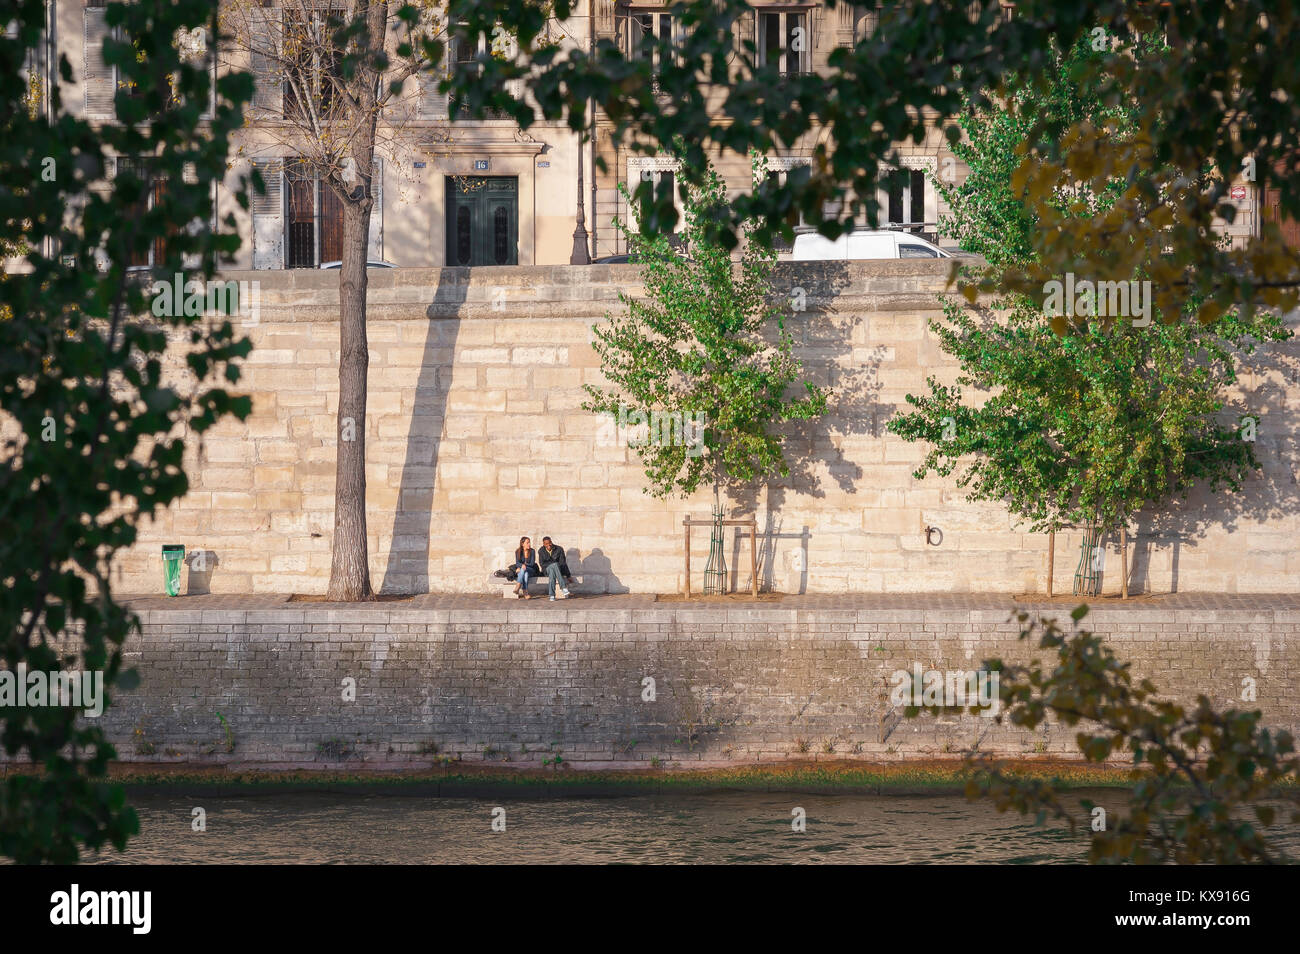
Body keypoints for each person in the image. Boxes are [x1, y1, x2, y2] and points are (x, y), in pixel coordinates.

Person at [538, 536, 573, 601]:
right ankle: (563, 587)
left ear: (551, 542)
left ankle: (552, 595)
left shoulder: (559, 549)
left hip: (558, 570)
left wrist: (568, 575)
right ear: (543, 544)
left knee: (552, 572)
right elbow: (542, 564)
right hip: (546, 570)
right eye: (546, 544)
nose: (548, 545)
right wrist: (553, 564)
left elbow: (563, 562)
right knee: (554, 565)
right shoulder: (541, 550)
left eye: (549, 543)